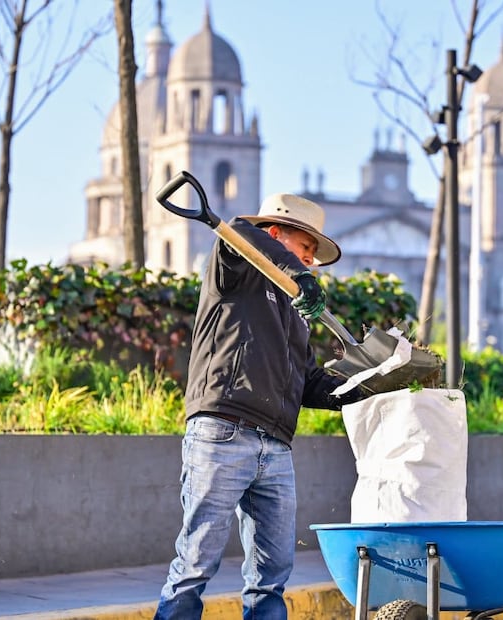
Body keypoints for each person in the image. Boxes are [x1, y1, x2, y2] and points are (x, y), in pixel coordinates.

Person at [154, 193, 365, 619]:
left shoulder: (293, 313)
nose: (309, 264)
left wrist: (363, 388)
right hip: (223, 431)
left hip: (276, 447)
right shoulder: (233, 271)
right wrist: (297, 276)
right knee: (196, 563)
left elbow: (308, 382)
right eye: (305, 251)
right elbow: (239, 233)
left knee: (272, 575)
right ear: (274, 236)